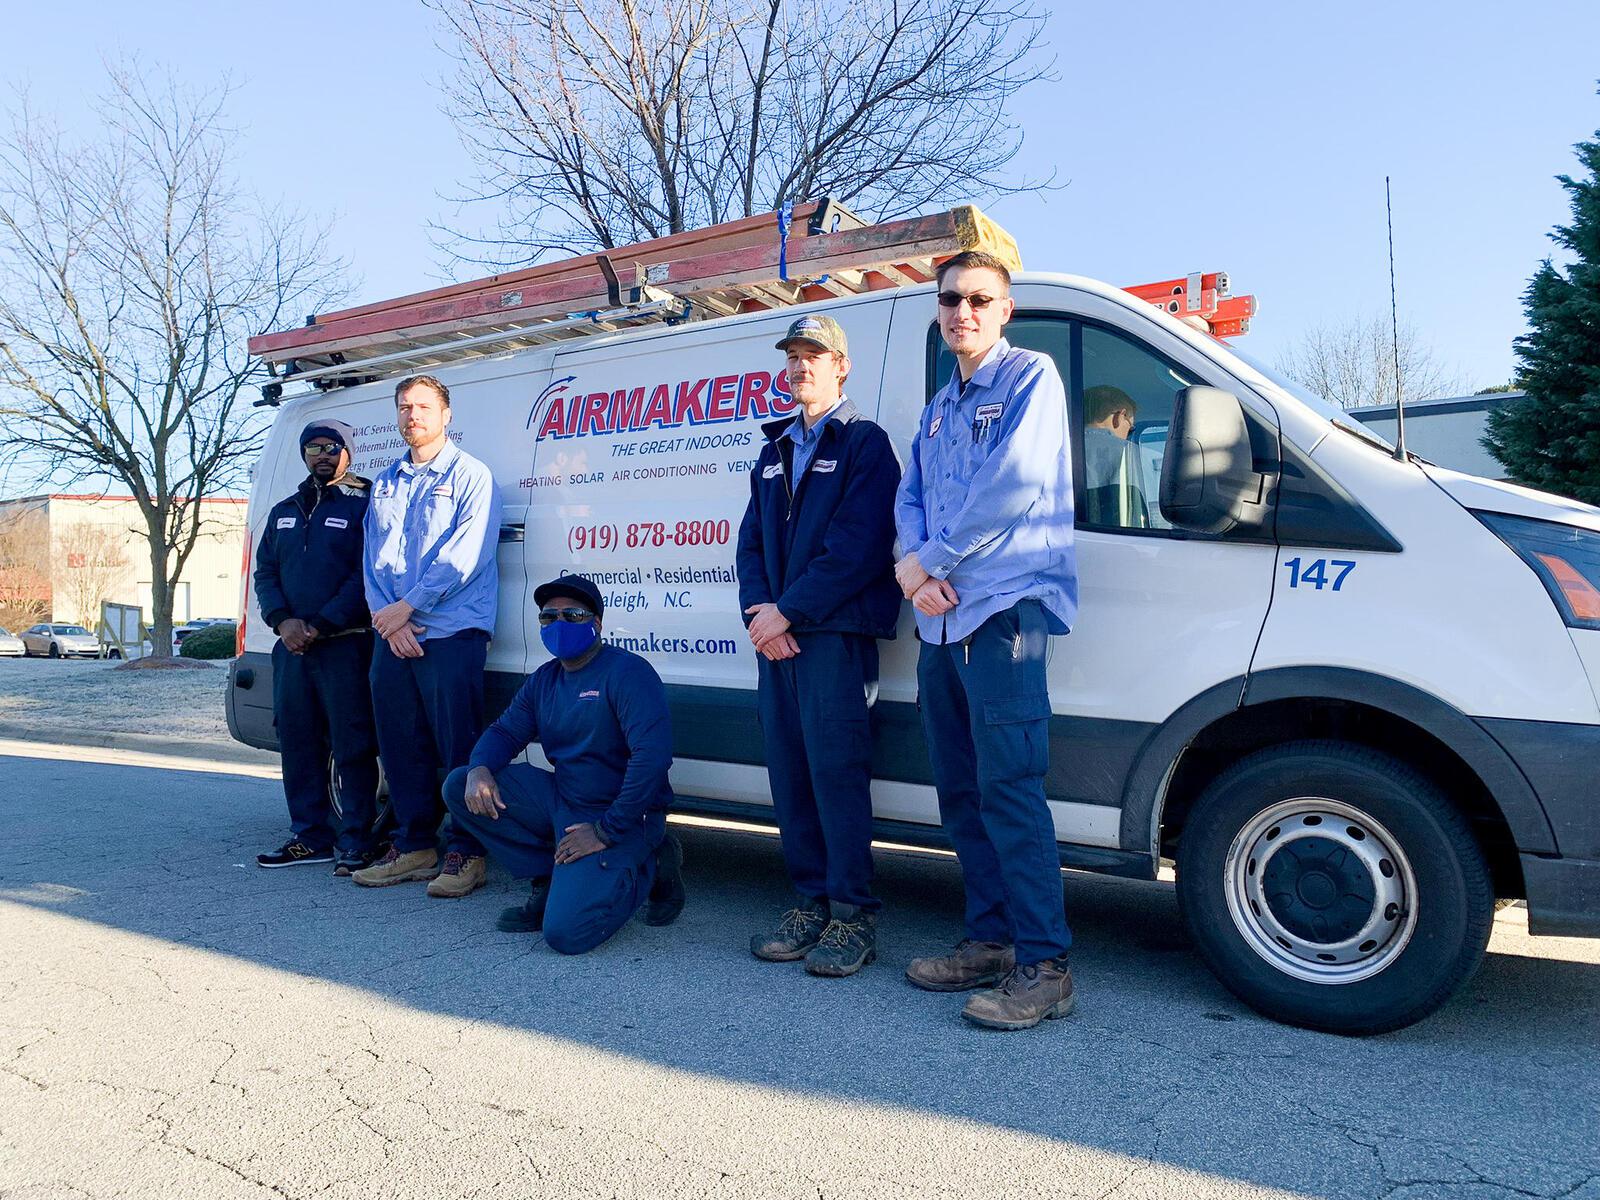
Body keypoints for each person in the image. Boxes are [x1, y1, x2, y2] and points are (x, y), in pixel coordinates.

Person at [892, 249, 1080, 1031]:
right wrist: (914, 573)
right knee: (961, 792)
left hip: (1002, 617)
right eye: (949, 299)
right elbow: (910, 494)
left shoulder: (1031, 377)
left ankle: (1046, 966)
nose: (961, 311)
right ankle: (991, 941)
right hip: (939, 622)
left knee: (1010, 790)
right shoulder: (939, 406)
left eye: (977, 299)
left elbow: (1012, 487)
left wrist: (929, 562)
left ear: (1004, 311)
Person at [736, 314, 901, 977]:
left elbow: (857, 548)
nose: (801, 365)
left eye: (815, 355)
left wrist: (788, 613)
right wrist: (760, 614)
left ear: (842, 366)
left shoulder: (864, 443)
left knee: (836, 775)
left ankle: (852, 915)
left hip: (832, 636)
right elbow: (750, 543)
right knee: (790, 773)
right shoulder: (773, 450)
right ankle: (808, 903)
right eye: (793, 356)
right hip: (778, 638)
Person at [442, 574, 686, 953]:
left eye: (572, 615)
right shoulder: (545, 679)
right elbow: (505, 732)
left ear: (596, 623)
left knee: (567, 934)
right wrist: (479, 767)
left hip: (621, 814)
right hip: (564, 799)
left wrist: (605, 831)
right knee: (460, 786)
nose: (559, 624)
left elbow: (651, 760)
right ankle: (548, 877)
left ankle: (652, 863)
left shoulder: (628, 673)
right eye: (548, 617)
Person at [353, 374, 502, 898]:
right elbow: (371, 558)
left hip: (451, 631)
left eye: (422, 406)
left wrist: (408, 607)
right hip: (394, 632)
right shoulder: (386, 482)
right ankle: (414, 845)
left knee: (459, 746)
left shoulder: (471, 476)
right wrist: (386, 618)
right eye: (403, 407)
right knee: (400, 744)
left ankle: (468, 850)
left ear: (446, 414)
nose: (411, 415)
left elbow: (465, 555)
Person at [252, 418, 381, 875]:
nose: (322, 455)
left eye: (331, 447)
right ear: (303, 454)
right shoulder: (284, 510)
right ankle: (309, 837)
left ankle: (357, 840)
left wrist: (322, 623)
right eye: (313, 448)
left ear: (348, 451)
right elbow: (265, 572)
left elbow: (368, 573)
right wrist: (282, 621)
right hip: (292, 649)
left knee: (352, 744)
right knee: (298, 743)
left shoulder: (364, 505)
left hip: (344, 645)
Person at [1081, 385, 1148, 527]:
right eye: (1131, 429)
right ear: (1120, 416)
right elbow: (1134, 518)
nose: (1128, 435)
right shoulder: (1127, 451)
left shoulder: (1060, 451)